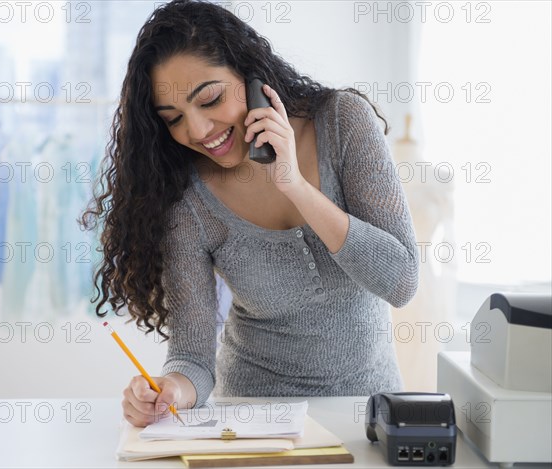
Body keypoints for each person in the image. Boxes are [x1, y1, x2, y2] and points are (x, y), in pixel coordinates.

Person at [81, 0, 419, 428]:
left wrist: (294, 184)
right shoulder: (188, 201)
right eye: (174, 119)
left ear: (251, 73)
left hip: (365, 414)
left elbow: (401, 281)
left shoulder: (343, 123)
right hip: (252, 420)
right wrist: (171, 391)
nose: (199, 131)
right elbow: (193, 358)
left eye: (210, 99)